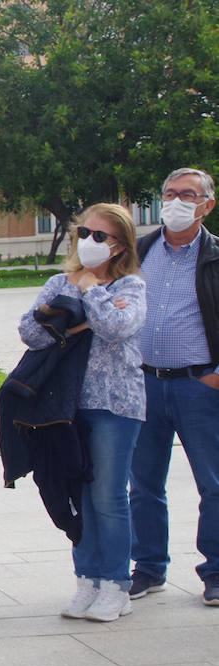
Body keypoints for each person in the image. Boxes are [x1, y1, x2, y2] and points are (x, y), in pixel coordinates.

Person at [17, 204, 146, 621]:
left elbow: (116, 327)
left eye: (100, 237)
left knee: (107, 496)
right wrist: (72, 305)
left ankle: (115, 584)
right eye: (84, 233)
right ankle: (87, 579)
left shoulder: (131, 286)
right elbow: (31, 332)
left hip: (116, 404)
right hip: (65, 406)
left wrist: (90, 291)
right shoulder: (59, 281)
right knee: (78, 495)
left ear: (120, 246)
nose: (89, 242)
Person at [128, 167, 219, 605]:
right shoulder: (139, 250)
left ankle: (216, 571)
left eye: (188, 194)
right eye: (169, 193)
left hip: (200, 386)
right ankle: (148, 568)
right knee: (143, 484)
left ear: (207, 204)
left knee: (214, 484)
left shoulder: (216, 256)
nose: (176, 201)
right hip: (144, 383)